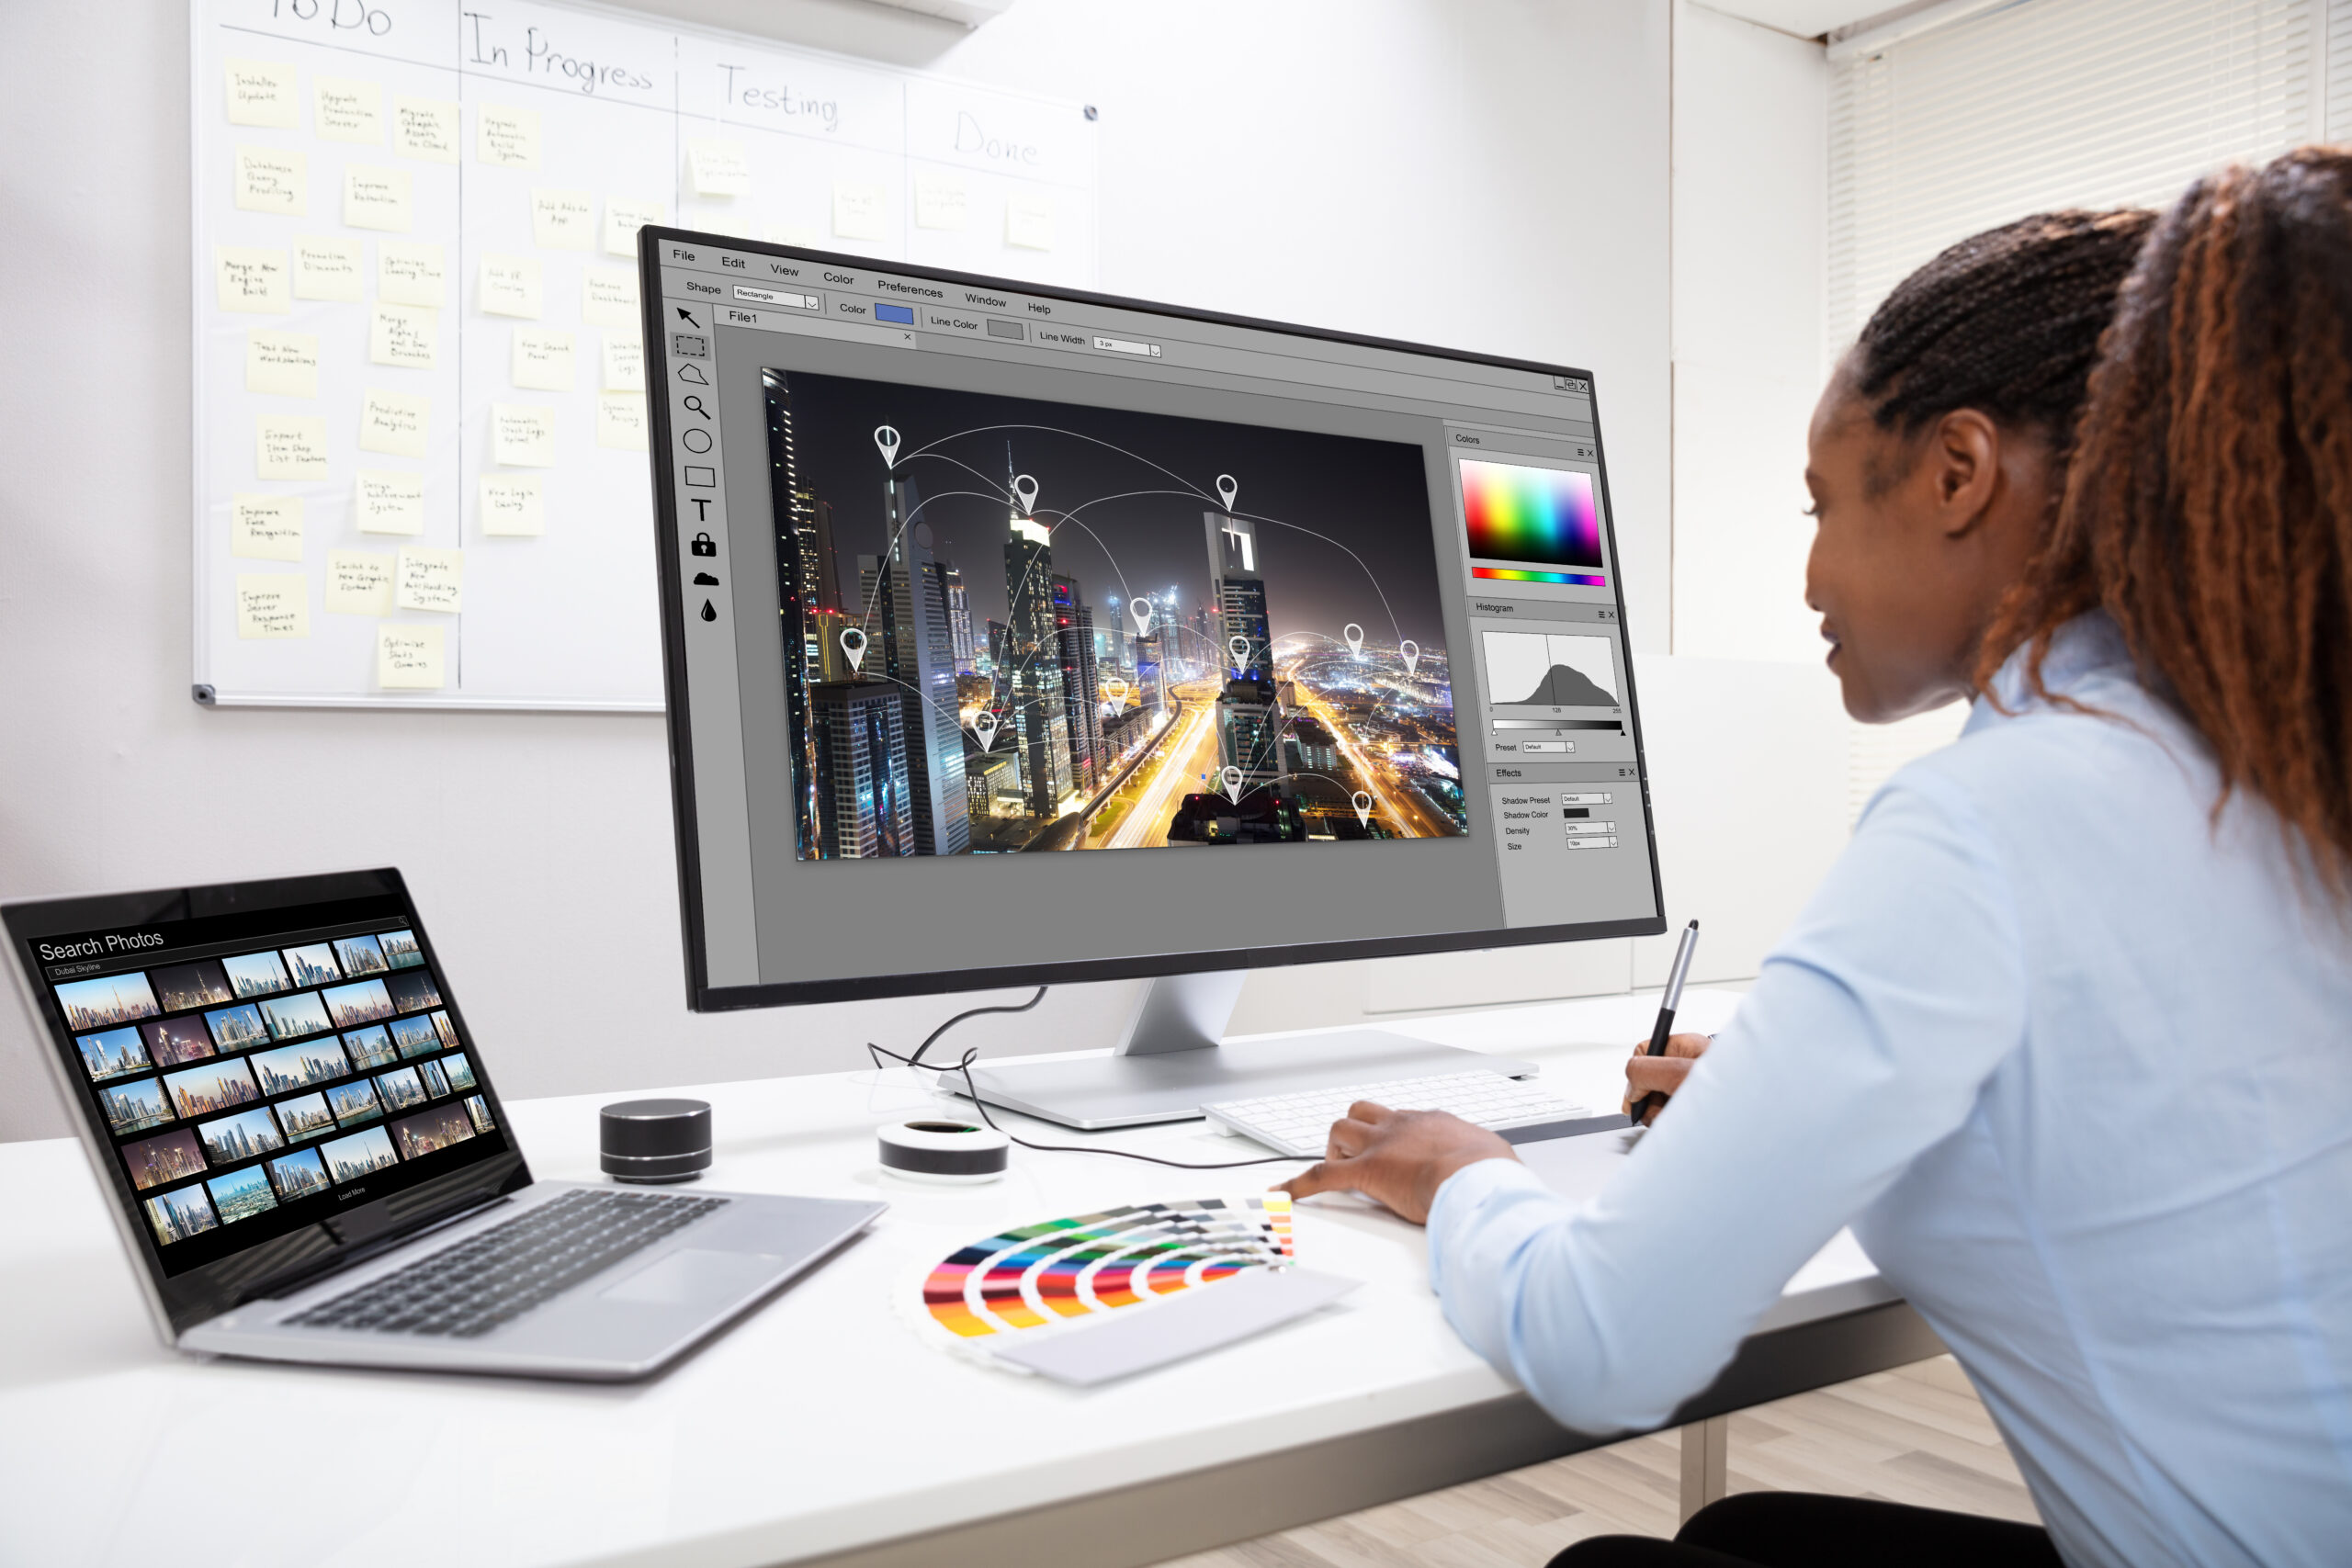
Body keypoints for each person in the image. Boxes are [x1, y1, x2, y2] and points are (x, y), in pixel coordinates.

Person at [1285, 147, 2352, 1568]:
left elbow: (1602, 1346)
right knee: (1755, 1533)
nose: (1808, 577)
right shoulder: (2271, 758)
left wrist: (1466, 1171)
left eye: (1822, 503)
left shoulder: (1992, 821)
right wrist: (1796, 1093)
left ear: (1959, 471)